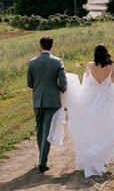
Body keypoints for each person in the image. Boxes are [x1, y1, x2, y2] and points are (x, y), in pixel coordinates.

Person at [57, 44, 114, 177]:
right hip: (106, 100)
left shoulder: (90, 65)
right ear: (106, 53)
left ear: (95, 54)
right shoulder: (111, 66)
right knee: (105, 129)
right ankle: (101, 158)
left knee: (92, 128)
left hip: (91, 99)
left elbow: (86, 81)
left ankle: (92, 155)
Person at [26, 36, 68, 173]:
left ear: (41, 46)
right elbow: (63, 83)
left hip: (38, 100)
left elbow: (30, 84)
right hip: (52, 100)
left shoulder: (32, 62)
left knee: (40, 129)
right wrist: (62, 91)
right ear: (51, 46)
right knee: (47, 130)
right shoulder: (57, 62)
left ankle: (41, 158)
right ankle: (42, 163)